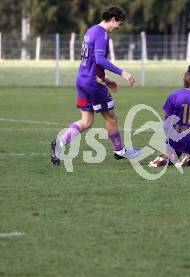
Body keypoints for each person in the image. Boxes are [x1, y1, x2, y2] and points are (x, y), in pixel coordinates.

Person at [50, 5, 139, 165]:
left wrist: (105, 79)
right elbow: (99, 60)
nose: (119, 28)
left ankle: (60, 142)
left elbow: (91, 61)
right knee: (112, 117)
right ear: (113, 19)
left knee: (86, 121)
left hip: (82, 80)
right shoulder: (102, 35)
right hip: (93, 83)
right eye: (119, 24)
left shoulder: (91, 31)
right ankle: (120, 151)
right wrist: (122, 72)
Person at [148, 64, 190, 168]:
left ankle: (166, 157)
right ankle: (189, 160)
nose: (183, 78)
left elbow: (167, 123)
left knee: (174, 150)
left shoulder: (175, 95)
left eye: (185, 75)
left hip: (174, 140)